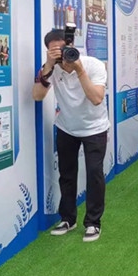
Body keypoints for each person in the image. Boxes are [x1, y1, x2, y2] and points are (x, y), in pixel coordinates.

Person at [33, 29, 110, 242]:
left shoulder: (93, 65)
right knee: (66, 174)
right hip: (67, 127)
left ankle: (93, 222)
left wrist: (79, 70)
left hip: (94, 128)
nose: (62, 54)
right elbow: (37, 96)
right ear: (48, 51)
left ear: (72, 45)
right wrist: (48, 67)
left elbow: (96, 98)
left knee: (94, 174)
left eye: (64, 48)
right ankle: (68, 218)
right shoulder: (50, 69)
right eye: (55, 51)